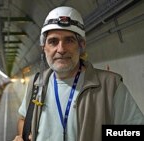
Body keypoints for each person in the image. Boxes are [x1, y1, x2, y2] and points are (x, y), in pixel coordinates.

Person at [13, 6, 144, 141]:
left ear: (81, 46)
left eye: (69, 40)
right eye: (53, 41)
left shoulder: (109, 86)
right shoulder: (36, 84)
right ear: (44, 48)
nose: (61, 49)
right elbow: (23, 119)